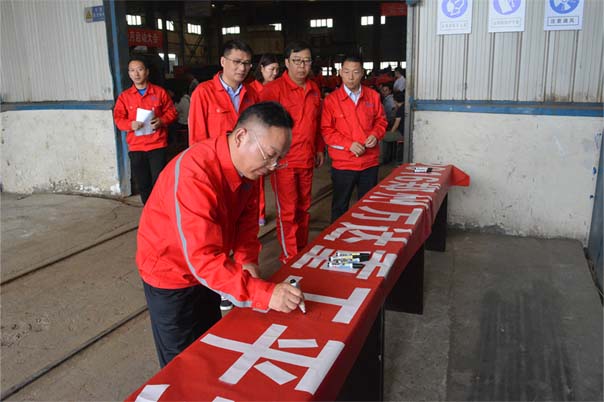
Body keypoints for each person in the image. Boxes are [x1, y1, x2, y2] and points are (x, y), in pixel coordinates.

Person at [136, 102, 304, 368]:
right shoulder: (195, 174)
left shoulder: (249, 170)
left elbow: (246, 227)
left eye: (278, 159)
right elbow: (202, 259)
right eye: (270, 155)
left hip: (210, 271)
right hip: (171, 273)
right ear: (241, 137)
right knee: (180, 364)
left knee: (208, 347)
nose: (273, 166)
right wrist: (265, 294)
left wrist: (248, 264)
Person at [260, 41, 325, 265]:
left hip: (307, 158)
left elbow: (317, 122)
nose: (302, 66)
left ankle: (302, 249)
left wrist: (319, 148)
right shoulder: (273, 90)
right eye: (297, 61)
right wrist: (270, 157)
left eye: (306, 61)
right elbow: (264, 126)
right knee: (287, 212)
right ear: (286, 63)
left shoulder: (314, 89)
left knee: (303, 208)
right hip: (284, 162)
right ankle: (290, 257)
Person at [321, 55, 388, 222]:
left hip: (369, 163)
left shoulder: (373, 96)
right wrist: (348, 144)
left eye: (356, 72)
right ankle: (337, 237)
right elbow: (326, 130)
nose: (351, 77)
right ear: (340, 73)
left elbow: (381, 121)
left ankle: (365, 236)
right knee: (340, 207)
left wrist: (375, 134)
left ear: (362, 73)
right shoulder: (331, 100)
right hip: (343, 164)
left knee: (367, 207)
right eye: (346, 72)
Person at [113, 57, 177, 204]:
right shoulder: (124, 97)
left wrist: (162, 121)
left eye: (140, 69)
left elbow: (172, 112)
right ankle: (148, 209)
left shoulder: (159, 92)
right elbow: (118, 119)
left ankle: (160, 208)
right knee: (143, 183)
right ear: (129, 73)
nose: (136, 74)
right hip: (136, 147)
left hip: (157, 145)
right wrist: (130, 125)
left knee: (159, 181)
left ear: (147, 72)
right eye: (132, 70)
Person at [188, 40, 258, 145]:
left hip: (246, 154)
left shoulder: (252, 93)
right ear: (223, 61)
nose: (242, 68)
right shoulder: (203, 92)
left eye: (247, 63)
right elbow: (197, 139)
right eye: (236, 62)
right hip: (216, 155)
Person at [250, 54, 280, 227]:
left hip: (274, 139)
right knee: (256, 178)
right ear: (261, 68)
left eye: (277, 69)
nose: (275, 73)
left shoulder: (278, 88)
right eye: (271, 69)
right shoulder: (251, 90)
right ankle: (258, 213)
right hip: (257, 140)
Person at [381, 91, 405, 165]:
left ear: (395, 100)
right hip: (404, 132)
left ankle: (382, 159)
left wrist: (391, 132)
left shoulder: (400, 109)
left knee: (382, 137)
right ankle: (388, 158)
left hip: (401, 134)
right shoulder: (405, 107)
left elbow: (396, 124)